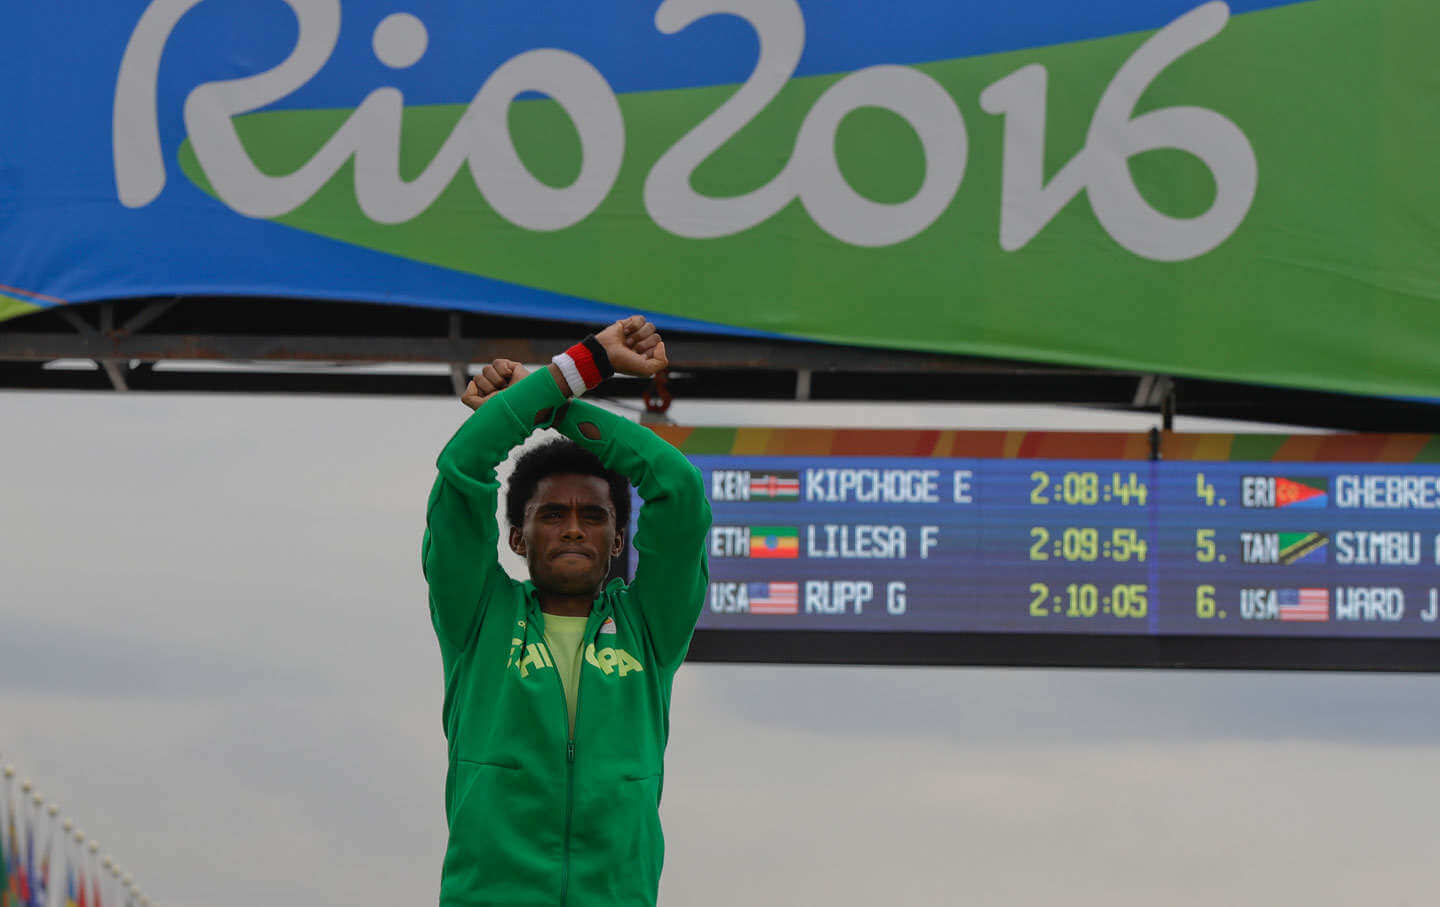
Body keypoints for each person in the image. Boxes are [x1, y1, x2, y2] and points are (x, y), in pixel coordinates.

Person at [421, 315, 711, 906]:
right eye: (551, 515)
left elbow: (677, 488)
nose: (574, 529)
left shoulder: (649, 629)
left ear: (618, 542)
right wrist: (578, 367)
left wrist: (550, 400)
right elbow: (462, 467)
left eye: (594, 516)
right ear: (517, 537)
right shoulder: (476, 615)